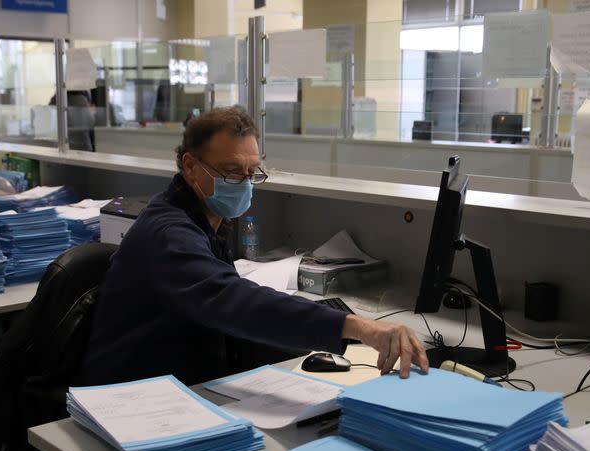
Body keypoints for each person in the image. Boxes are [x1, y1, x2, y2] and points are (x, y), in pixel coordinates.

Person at [83, 106, 429, 386]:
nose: (245, 184)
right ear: (190, 166)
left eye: (252, 173)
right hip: (134, 394)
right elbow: (231, 301)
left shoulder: (200, 219)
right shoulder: (170, 234)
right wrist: (357, 327)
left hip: (176, 373)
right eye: (233, 172)